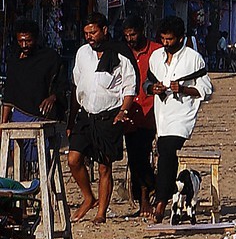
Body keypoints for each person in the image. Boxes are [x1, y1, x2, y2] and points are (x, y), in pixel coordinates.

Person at [67, 13, 137, 223]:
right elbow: (76, 85)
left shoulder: (121, 54)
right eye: (86, 33)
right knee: (73, 159)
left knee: (104, 166)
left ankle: (101, 213)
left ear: (104, 30)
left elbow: (129, 87)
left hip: (109, 117)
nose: (89, 36)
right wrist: (71, 120)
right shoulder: (82, 53)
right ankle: (88, 197)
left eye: (93, 32)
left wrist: (123, 111)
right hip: (85, 115)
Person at [147, 16, 214, 223]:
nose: (166, 43)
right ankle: (179, 192)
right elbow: (146, 84)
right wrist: (152, 89)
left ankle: (160, 203)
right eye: (163, 39)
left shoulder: (193, 59)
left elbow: (206, 90)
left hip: (183, 116)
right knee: (165, 155)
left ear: (181, 38)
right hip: (162, 115)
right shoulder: (156, 57)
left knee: (167, 151)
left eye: (170, 39)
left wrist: (183, 89)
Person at [1, 20, 66, 180]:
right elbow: (9, 95)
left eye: (28, 40)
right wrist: (3, 124)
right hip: (19, 117)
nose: (24, 44)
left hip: (42, 116)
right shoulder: (14, 62)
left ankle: (40, 185)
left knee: (41, 160)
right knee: (18, 161)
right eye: (21, 41)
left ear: (36, 39)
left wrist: (53, 97)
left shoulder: (50, 58)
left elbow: (61, 84)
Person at [121, 18, 159, 218]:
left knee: (142, 154)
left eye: (133, 35)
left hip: (150, 110)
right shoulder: (123, 51)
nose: (130, 39)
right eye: (127, 35)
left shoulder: (156, 51)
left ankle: (145, 197)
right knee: (134, 156)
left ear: (141, 31)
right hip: (129, 109)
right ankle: (144, 192)